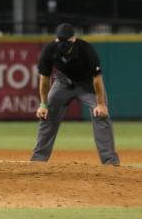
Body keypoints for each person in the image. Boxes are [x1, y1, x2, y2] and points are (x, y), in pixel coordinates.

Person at [31, 23, 120, 165]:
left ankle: (110, 162)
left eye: (65, 40)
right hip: (63, 83)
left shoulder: (86, 49)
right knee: (46, 114)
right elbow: (44, 79)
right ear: (56, 40)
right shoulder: (50, 49)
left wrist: (101, 104)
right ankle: (38, 160)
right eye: (60, 40)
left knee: (101, 115)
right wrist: (43, 104)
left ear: (73, 39)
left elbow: (97, 79)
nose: (62, 43)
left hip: (87, 84)